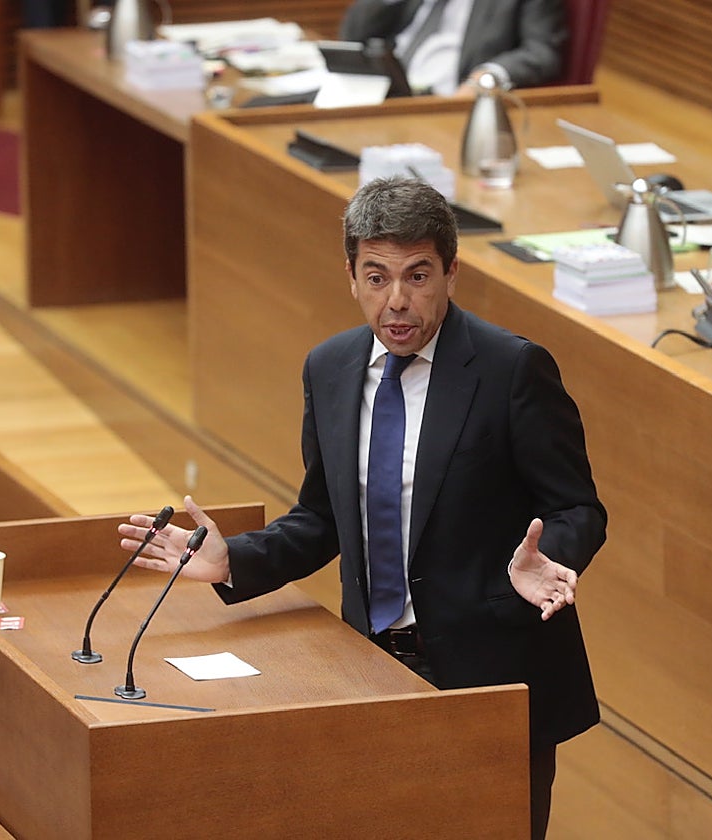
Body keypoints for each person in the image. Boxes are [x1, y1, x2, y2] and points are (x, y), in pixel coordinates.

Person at [118, 177, 606, 837]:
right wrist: (233, 559)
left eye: (417, 276)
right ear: (351, 277)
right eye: (377, 277)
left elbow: (578, 506)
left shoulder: (511, 370)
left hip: (492, 670)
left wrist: (547, 561)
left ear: (451, 273)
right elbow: (323, 516)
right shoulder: (330, 368)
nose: (397, 300)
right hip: (372, 667)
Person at [338, 0, 568, 96]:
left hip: (446, 99)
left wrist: (487, 77)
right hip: (379, 88)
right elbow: (353, 33)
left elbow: (542, 52)